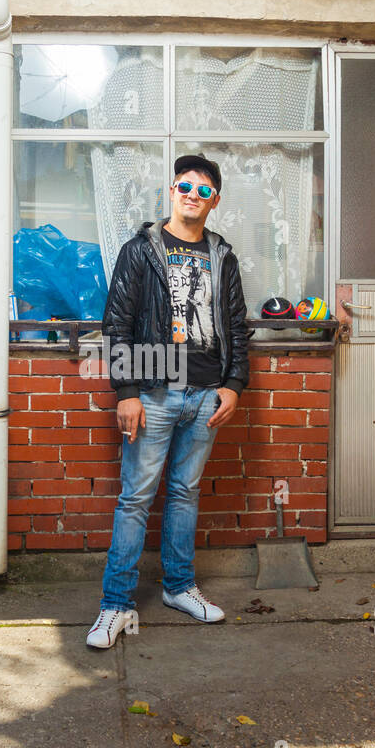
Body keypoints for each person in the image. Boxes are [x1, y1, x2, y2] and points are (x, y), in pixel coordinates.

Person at [86, 153, 249, 649]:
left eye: (203, 190)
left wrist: (234, 385)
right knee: (135, 498)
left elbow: (238, 328)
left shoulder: (223, 256)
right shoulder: (142, 250)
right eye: (185, 186)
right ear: (171, 191)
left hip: (206, 396)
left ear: (214, 201)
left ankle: (180, 588)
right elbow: (116, 323)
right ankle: (115, 606)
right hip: (155, 392)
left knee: (184, 494)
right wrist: (127, 392)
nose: (192, 195)